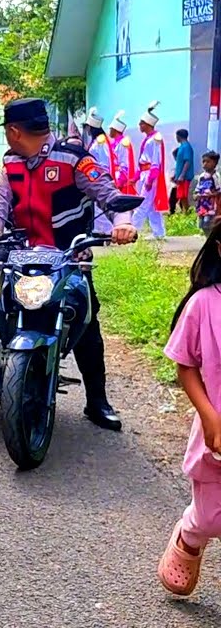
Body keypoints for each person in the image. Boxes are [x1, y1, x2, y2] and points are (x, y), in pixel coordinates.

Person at [0, 98, 137, 431]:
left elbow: (109, 195)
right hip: (19, 249)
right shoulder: (11, 162)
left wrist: (123, 223)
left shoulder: (75, 160)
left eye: (8, 132)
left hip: (68, 253)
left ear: (14, 131)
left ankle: (97, 400)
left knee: (85, 318)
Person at [157, 223, 221, 596]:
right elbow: (186, 364)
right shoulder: (204, 304)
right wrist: (209, 414)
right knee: (213, 517)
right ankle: (191, 533)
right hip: (216, 430)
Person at [132, 101, 168, 239]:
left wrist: (150, 178)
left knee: (142, 203)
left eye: (141, 123)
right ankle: (159, 233)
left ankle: (132, 230)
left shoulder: (155, 139)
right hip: (144, 174)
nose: (139, 125)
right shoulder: (148, 139)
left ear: (147, 124)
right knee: (151, 206)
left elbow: (155, 161)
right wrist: (136, 177)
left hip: (150, 176)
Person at [173, 128, 195, 215]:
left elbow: (187, 161)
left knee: (184, 196)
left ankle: (187, 213)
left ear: (179, 136)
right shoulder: (182, 147)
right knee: (181, 196)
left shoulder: (186, 147)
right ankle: (184, 212)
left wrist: (182, 175)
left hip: (185, 177)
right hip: (180, 177)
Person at [196, 151, 219, 233]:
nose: (205, 164)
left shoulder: (215, 177)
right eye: (203, 161)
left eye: (208, 161)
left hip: (211, 206)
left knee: (208, 223)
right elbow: (197, 189)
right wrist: (196, 196)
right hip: (202, 205)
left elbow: (219, 191)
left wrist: (211, 195)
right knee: (201, 224)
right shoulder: (201, 177)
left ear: (214, 163)